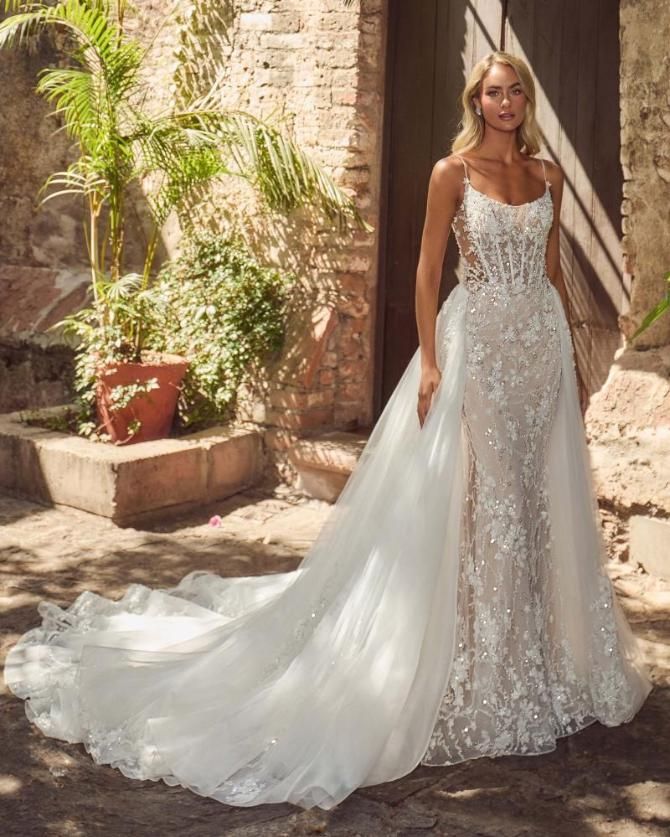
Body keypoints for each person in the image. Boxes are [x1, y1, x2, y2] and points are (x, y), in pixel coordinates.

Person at [4, 51, 652, 811]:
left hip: (535, 352)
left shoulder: (548, 176)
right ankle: (467, 659)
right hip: (475, 349)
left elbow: (547, 277)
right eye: (492, 92)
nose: (505, 102)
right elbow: (425, 268)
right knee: (483, 501)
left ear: (525, 99)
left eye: (515, 92)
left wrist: (567, 364)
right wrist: (434, 363)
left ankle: (531, 655)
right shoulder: (452, 171)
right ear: (475, 100)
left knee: (534, 504)